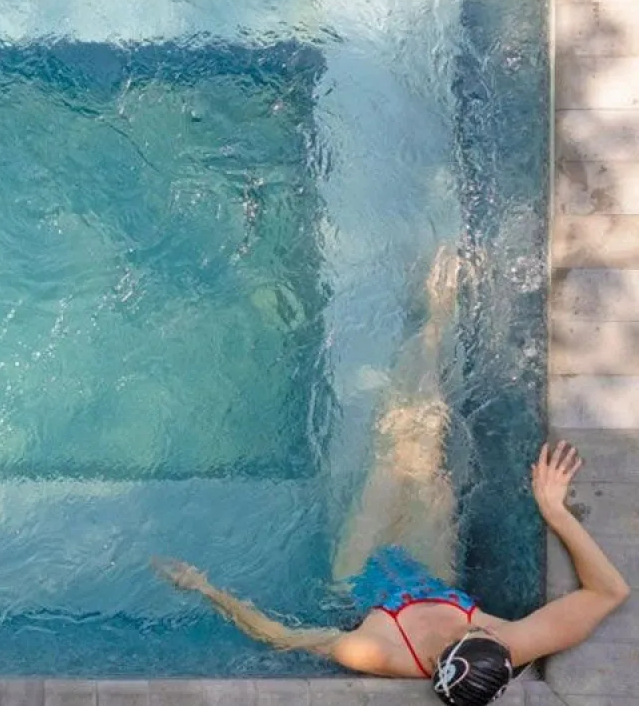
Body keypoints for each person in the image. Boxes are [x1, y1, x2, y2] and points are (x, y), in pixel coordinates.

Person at [155, 248, 630, 705]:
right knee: (429, 465)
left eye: (472, 634)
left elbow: (281, 636)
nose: (478, 627)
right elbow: (610, 592)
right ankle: (433, 325)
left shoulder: (377, 653)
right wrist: (555, 511)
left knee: (390, 466)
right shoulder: (505, 642)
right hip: (431, 574)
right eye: (482, 632)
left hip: (365, 580)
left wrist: (206, 589)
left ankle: (427, 327)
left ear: (437, 659)